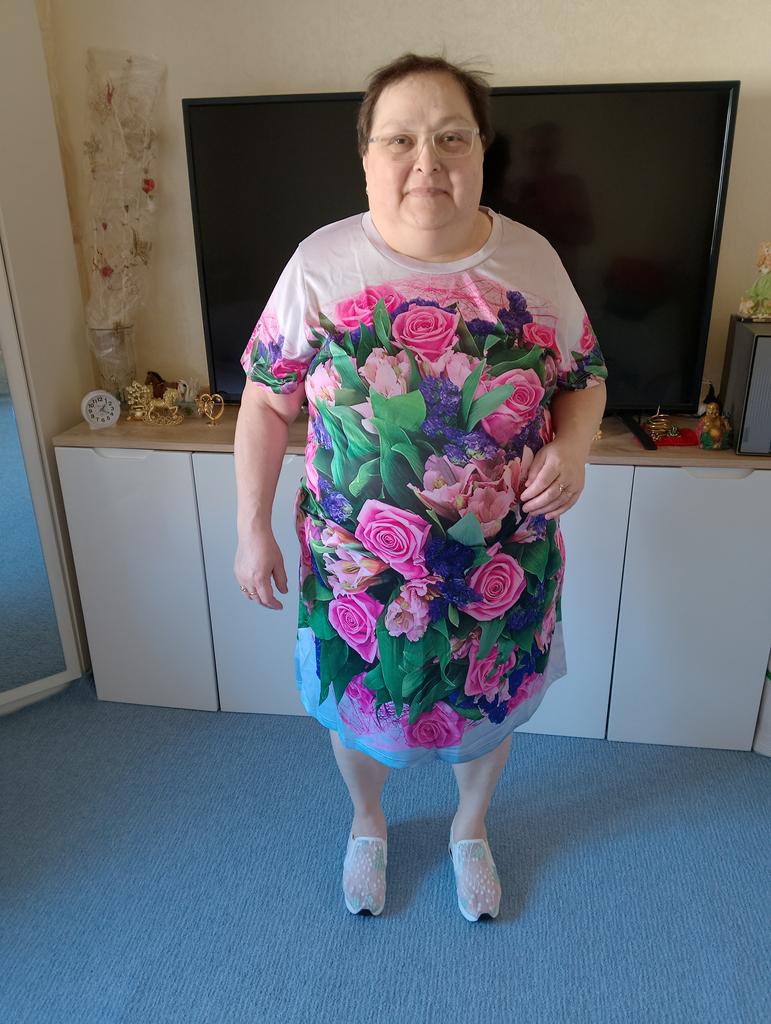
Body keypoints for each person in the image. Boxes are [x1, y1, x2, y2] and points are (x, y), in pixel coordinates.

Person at [233, 53, 608, 921]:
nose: (425, 162)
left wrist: (574, 447)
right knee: (358, 705)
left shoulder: (531, 260)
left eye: (450, 137)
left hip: (497, 568)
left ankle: (468, 829)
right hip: (360, 572)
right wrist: (251, 527)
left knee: (486, 703)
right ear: (366, 155)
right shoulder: (321, 264)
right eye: (399, 139)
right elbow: (265, 400)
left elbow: (582, 377)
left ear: (481, 150)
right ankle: (367, 821)